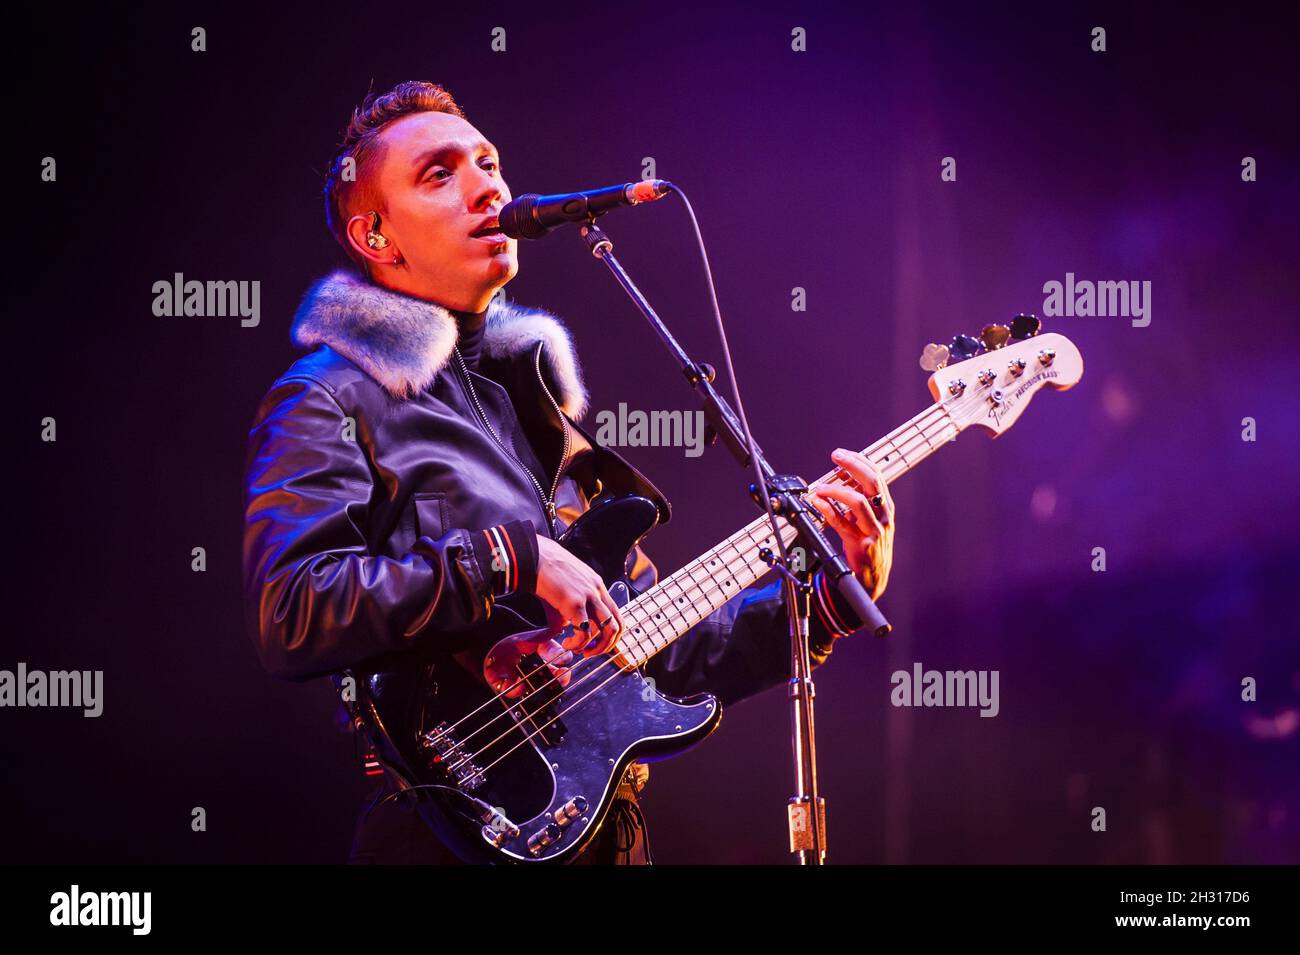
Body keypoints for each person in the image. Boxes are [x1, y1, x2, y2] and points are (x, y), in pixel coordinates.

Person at [241, 81, 896, 864]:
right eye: (440, 173)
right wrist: (508, 557)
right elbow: (291, 610)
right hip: (446, 834)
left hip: (602, 836)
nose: (488, 185)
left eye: (489, 162)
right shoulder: (329, 393)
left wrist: (823, 601)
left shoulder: (539, 408)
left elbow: (651, 654)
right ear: (377, 236)